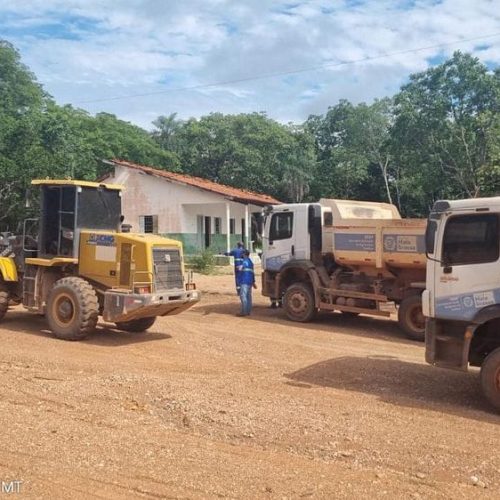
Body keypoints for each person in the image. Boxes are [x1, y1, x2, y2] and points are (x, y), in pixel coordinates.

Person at [237, 249, 257, 316]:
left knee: (243, 296)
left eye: (242, 254)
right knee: (249, 297)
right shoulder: (251, 262)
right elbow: (252, 272)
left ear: (244, 254)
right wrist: (253, 282)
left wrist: (239, 267)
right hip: (249, 281)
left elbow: (242, 267)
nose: (241, 255)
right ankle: (248, 311)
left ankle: (244, 312)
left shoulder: (245, 261)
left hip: (244, 281)